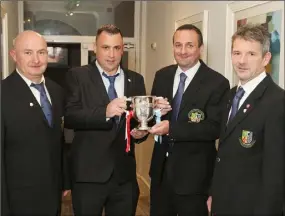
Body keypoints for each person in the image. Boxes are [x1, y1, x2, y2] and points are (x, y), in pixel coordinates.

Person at [64, 24, 147, 216]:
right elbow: (70, 117)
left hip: (124, 178)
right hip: (88, 177)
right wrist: (105, 112)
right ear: (95, 47)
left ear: (123, 49)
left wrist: (140, 133)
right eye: (105, 47)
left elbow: (137, 122)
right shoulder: (77, 76)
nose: (111, 54)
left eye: (116, 48)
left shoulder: (135, 80)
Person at [147, 24, 230, 216]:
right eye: (178, 45)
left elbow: (214, 128)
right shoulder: (162, 76)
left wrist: (171, 128)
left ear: (200, 49)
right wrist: (148, 122)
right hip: (160, 174)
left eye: (189, 45)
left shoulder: (217, 83)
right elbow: (153, 116)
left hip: (194, 179)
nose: (183, 51)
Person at [210, 23, 285, 215]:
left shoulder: (278, 102)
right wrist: (214, 194)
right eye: (237, 53)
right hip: (223, 202)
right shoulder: (231, 95)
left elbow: (275, 174)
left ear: (265, 58)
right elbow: (224, 153)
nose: (242, 61)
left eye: (251, 54)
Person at [1, 30, 70, 216]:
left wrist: (64, 180)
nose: (36, 59)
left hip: (52, 195)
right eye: (28, 52)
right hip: (18, 200)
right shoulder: (3, 94)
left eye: (41, 52)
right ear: (14, 55)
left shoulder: (57, 92)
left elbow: (59, 140)